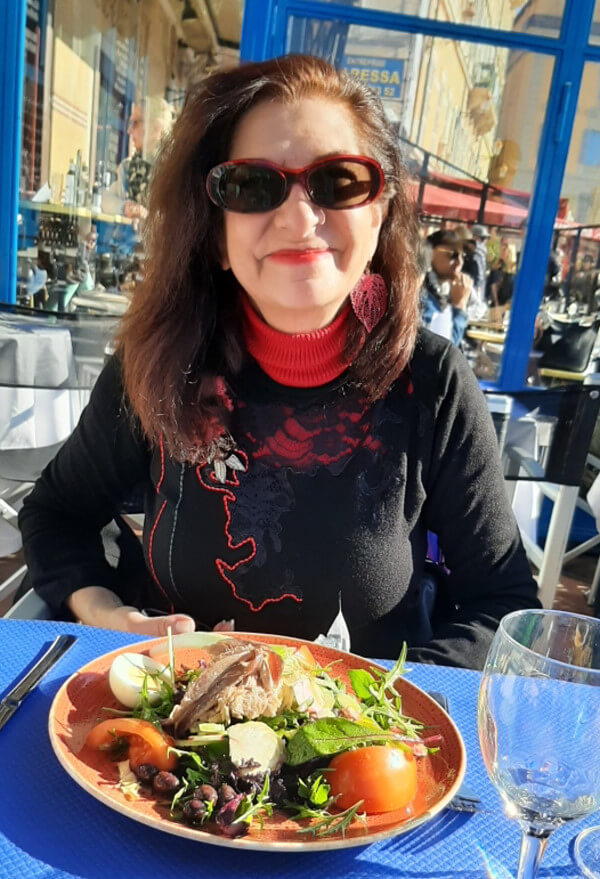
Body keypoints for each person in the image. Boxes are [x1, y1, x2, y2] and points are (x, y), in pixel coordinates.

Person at [18, 55, 539, 669]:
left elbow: (501, 603)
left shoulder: (434, 383)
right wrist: (103, 613)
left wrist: (385, 710)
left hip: (363, 750)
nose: (298, 218)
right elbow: (57, 514)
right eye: (252, 185)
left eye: (340, 181)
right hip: (169, 734)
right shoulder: (161, 359)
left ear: (380, 213)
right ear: (215, 231)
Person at [101, 97, 174, 221]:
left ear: (156, 128)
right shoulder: (128, 168)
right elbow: (105, 200)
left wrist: (147, 216)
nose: (129, 130)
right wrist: (126, 207)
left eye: (135, 123)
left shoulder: (175, 173)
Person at [420, 229, 471, 346]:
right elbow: (444, 351)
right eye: (453, 255)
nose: (460, 262)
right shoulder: (423, 295)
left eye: (463, 256)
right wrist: (459, 306)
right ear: (431, 254)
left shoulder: (441, 291)